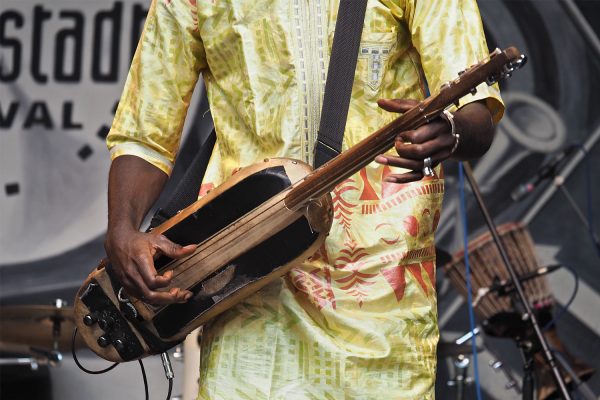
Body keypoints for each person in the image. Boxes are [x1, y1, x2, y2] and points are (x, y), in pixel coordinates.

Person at [104, 0, 503, 398]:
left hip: (383, 299)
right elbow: (145, 130)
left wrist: (451, 130)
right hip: (250, 283)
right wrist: (122, 228)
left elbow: (476, 111)